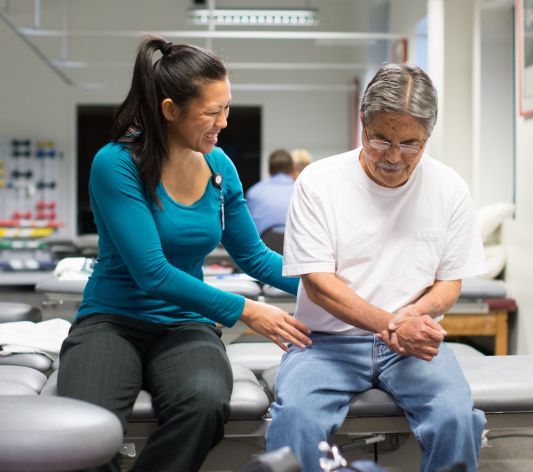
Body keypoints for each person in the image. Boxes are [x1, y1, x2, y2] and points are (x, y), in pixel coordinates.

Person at [56, 35, 311, 472]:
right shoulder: (116, 164)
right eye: (212, 112)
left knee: (205, 405)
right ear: (170, 110)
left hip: (185, 325)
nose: (224, 123)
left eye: (227, 108)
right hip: (112, 320)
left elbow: (256, 258)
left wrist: (336, 291)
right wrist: (247, 310)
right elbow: (152, 273)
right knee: (86, 427)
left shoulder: (220, 167)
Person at [266, 63, 488, 472]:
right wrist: (392, 325)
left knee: (456, 420)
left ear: (427, 136)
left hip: (411, 349)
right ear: (362, 125)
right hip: (325, 344)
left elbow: (449, 283)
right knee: (296, 420)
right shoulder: (319, 183)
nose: (393, 156)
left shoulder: (449, 188)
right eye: (381, 139)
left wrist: (413, 318)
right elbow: (318, 285)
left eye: (410, 144)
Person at [246, 148, 295, 235]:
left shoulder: (254, 192)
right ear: (292, 170)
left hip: (262, 247)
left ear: (269, 170)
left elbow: (247, 228)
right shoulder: (302, 192)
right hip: (294, 247)